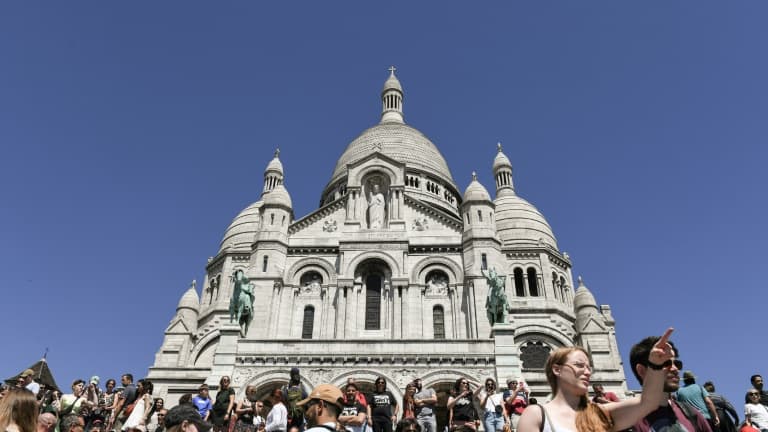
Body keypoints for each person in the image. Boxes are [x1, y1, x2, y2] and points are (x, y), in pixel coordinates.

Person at [518, 327, 677, 432]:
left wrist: (655, 364)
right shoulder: (536, 414)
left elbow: (649, 402)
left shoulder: (600, 413)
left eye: (589, 367)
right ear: (557, 369)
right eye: (579, 365)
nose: (587, 372)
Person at [626, 331, 712, 432]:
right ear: (642, 371)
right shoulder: (628, 422)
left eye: (677, 363)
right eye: (665, 363)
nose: (675, 369)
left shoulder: (691, 413)